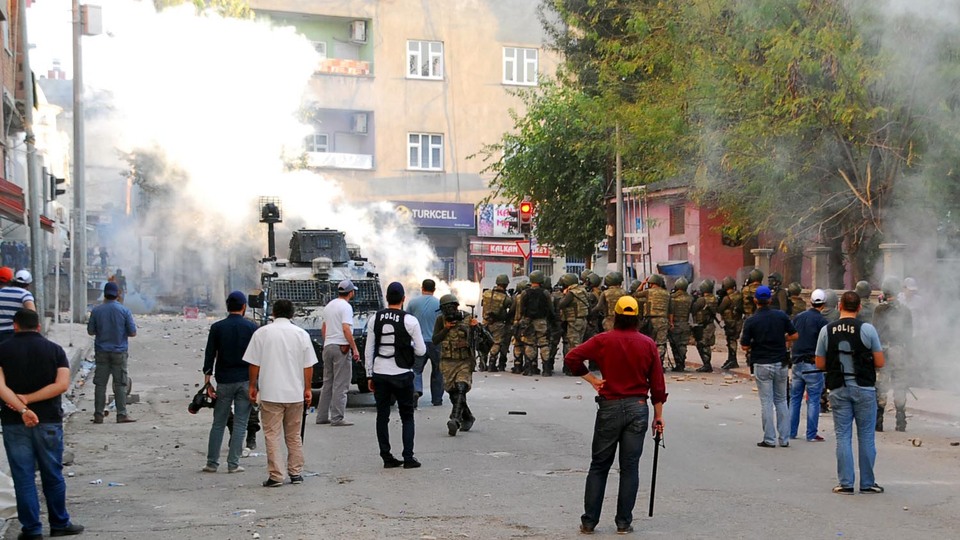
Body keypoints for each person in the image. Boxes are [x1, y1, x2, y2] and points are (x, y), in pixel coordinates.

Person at [564, 296, 667, 535]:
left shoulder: (603, 340)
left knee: (599, 465)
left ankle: (589, 522)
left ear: (616, 316)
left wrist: (592, 380)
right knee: (629, 467)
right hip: (638, 408)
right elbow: (658, 385)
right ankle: (623, 523)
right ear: (638, 318)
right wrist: (658, 416)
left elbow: (572, 358)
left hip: (609, 407)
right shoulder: (648, 344)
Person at [0, 309, 85, 539]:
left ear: (15, 326)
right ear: (38, 326)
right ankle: (59, 524)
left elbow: (1, 387)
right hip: (48, 421)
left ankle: (32, 530)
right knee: (52, 474)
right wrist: (31, 400)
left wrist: (22, 407)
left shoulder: (3, 350)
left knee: (23, 477)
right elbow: (62, 385)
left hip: (14, 423)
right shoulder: (55, 351)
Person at [815, 291, 885, 494]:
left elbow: (820, 363)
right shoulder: (867, 329)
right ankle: (867, 482)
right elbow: (880, 362)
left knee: (843, 436)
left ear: (839, 306)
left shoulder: (827, 330)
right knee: (866, 436)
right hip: (864, 387)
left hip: (838, 387)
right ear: (860, 308)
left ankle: (845, 483)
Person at [245, 299, 317, 487]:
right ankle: (296, 472)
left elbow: (254, 363)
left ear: (273, 313)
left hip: (271, 394)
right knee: (294, 435)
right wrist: (307, 389)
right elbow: (308, 366)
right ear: (292, 314)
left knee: (272, 434)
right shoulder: (301, 334)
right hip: (295, 394)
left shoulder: (262, 333)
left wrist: (253, 386)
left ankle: (276, 475)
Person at [365, 282, 426, 468]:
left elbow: (369, 349)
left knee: (382, 415)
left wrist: (369, 375)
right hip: (402, 374)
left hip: (380, 372)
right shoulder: (410, 320)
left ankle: (386, 457)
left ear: (386, 298)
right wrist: (409, 348)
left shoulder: (374, 318)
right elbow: (422, 350)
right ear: (403, 299)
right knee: (407, 416)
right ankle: (408, 457)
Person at [201, 291, 258, 474]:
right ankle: (233, 464)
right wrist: (256, 384)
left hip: (224, 381)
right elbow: (257, 358)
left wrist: (207, 381)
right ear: (244, 307)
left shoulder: (218, 328)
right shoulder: (251, 328)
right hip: (245, 380)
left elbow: (210, 354)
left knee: (218, 422)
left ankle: (212, 463)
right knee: (241, 422)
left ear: (227, 307)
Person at [740, 285, 798, 448]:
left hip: (762, 363)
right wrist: (781, 338)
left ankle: (769, 439)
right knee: (781, 400)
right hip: (780, 363)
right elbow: (794, 335)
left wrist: (755, 343)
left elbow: (744, 346)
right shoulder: (780, 316)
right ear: (770, 300)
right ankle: (784, 439)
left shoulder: (751, 321)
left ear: (755, 300)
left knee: (766, 402)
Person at [87, 281, 137, 423]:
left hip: (102, 351)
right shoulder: (124, 311)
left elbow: (91, 331)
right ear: (118, 295)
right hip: (119, 353)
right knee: (120, 384)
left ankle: (98, 414)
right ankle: (121, 414)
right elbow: (132, 332)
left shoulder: (96, 311)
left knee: (100, 384)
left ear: (104, 294)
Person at [316, 280, 360, 426]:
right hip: (341, 347)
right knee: (341, 384)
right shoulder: (346, 307)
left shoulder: (329, 306)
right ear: (351, 292)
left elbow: (324, 327)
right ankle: (337, 417)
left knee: (327, 382)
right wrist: (354, 348)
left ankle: (321, 416)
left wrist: (327, 341)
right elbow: (346, 328)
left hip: (328, 346)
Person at [434, 294, 479, 436]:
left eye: (451, 308)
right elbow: (435, 340)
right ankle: (467, 416)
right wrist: (446, 328)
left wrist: (475, 327)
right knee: (453, 394)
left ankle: (455, 419)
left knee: (461, 387)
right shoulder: (440, 320)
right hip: (447, 362)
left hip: (464, 360)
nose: (449, 312)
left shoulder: (467, 318)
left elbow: (480, 341)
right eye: (445, 309)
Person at [872, 277, 913, 432]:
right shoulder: (905, 310)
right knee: (900, 385)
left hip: (883, 351)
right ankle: (900, 420)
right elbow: (909, 336)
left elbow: (875, 332)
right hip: (900, 351)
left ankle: (879, 420)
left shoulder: (880, 309)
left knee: (881, 385)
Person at [789, 289, 829, 442]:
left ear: (811, 302)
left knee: (795, 398)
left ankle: (791, 432)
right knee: (813, 400)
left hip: (797, 363)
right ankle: (811, 434)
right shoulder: (822, 322)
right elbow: (825, 343)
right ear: (823, 304)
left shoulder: (798, 317)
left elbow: (791, 335)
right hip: (813, 364)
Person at [406, 279, 443, 405]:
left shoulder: (413, 303)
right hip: (436, 342)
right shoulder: (440, 304)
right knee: (438, 370)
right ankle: (437, 399)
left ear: (422, 288)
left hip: (418, 342)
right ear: (434, 289)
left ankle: (415, 391)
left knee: (416, 370)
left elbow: (407, 320)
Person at [517, 271, 554, 376]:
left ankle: (529, 368)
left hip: (528, 321)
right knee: (544, 343)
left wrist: (521, 320)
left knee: (529, 343)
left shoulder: (524, 293)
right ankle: (546, 369)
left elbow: (521, 309)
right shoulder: (545, 293)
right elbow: (550, 309)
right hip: (541, 321)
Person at [556, 273, 591, 377]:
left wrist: (564, 294)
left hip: (574, 321)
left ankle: (574, 369)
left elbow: (561, 304)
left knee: (573, 346)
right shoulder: (582, 290)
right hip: (582, 320)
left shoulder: (571, 293)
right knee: (579, 344)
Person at [478, 275, 513, 372]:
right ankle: (492, 363)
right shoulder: (505, 298)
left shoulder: (486, 293)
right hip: (498, 323)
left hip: (485, 322)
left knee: (485, 342)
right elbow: (511, 307)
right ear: (506, 285)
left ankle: (482, 363)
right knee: (497, 342)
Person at [635, 274, 671, 368]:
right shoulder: (667, 293)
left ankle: (649, 364)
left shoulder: (648, 292)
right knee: (661, 343)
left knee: (649, 342)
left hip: (650, 320)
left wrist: (642, 284)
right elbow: (671, 310)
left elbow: (635, 294)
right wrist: (671, 322)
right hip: (663, 320)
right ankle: (659, 364)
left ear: (651, 283)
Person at [0, 269, 36, 344]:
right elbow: (31, 313)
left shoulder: (1, 291)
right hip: (12, 333)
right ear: (28, 284)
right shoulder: (25, 294)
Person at [691, 279, 718, 372]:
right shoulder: (715, 298)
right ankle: (707, 364)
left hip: (703, 325)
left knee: (702, 344)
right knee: (706, 344)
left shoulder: (702, 300)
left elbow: (694, 310)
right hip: (710, 324)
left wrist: (694, 299)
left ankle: (707, 365)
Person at [717, 276, 743, 369]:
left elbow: (720, 309)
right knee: (733, 340)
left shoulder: (727, 298)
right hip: (738, 321)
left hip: (730, 322)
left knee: (731, 341)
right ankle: (731, 359)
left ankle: (733, 360)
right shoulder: (739, 295)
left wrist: (719, 299)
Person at [668, 277, 693, 372]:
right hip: (685, 324)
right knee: (683, 345)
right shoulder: (690, 298)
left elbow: (670, 311)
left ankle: (678, 364)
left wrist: (670, 323)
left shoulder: (673, 298)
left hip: (675, 324)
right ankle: (682, 363)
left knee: (675, 345)